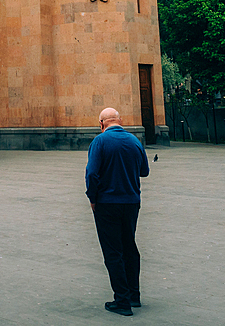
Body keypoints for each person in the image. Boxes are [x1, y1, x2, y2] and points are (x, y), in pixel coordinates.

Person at [85, 107, 149, 317]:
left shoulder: (99, 142)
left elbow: (92, 173)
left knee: (113, 251)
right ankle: (134, 295)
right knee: (129, 246)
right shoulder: (134, 141)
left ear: (101, 124)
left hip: (107, 203)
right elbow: (144, 171)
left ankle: (121, 300)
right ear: (120, 121)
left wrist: (93, 199)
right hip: (131, 202)